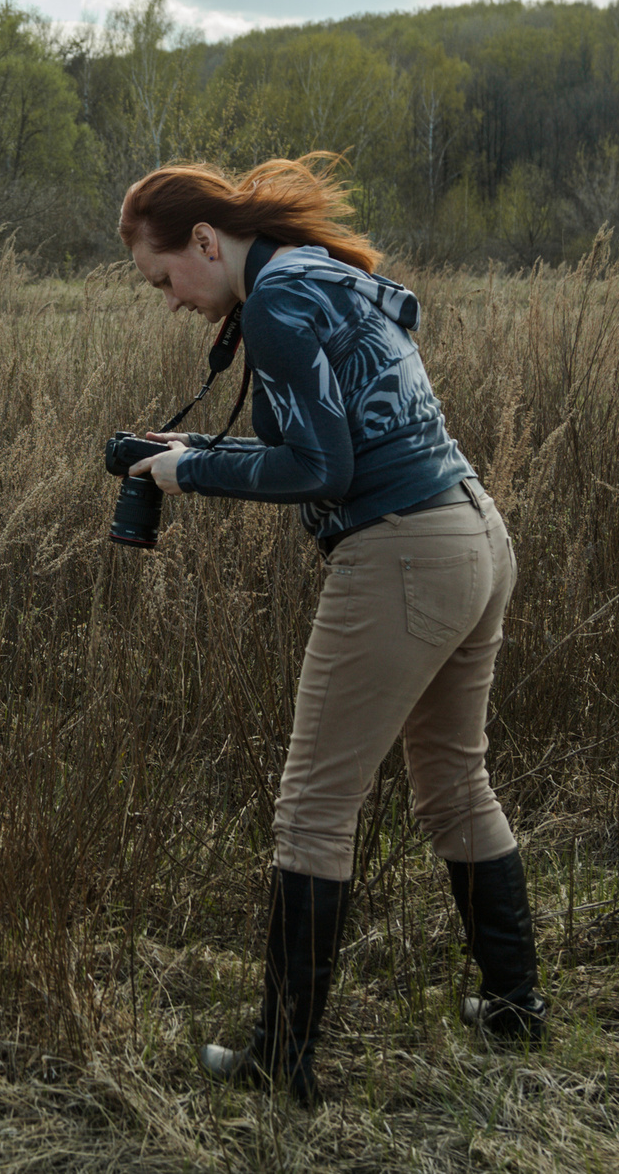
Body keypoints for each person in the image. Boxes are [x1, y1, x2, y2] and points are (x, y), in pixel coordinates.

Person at [117, 154, 543, 1107]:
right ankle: (516, 1007)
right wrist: (199, 448)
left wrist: (192, 473)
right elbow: (333, 440)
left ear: (203, 241)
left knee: (313, 805)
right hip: (473, 530)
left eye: (163, 280)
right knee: (455, 782)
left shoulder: (274, 303)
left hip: (402, 550)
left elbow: (322, 467)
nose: (172, 302)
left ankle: (282, 1058)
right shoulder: (315, 273)